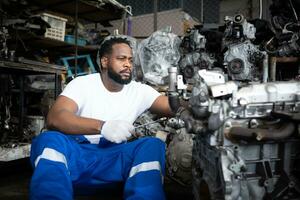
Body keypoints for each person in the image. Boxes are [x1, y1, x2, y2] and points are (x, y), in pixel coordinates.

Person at [29, 36, 173, 200]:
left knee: (152, 145)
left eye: (131, 60)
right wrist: (102, 126)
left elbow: (172, 106)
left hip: (114, 160)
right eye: (121, 59)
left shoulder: (139, 90)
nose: (128, 64)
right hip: (77, 157)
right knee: (49, 140)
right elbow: (55, 117)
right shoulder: (82, 84)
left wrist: (200, 100)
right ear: (104, 62)